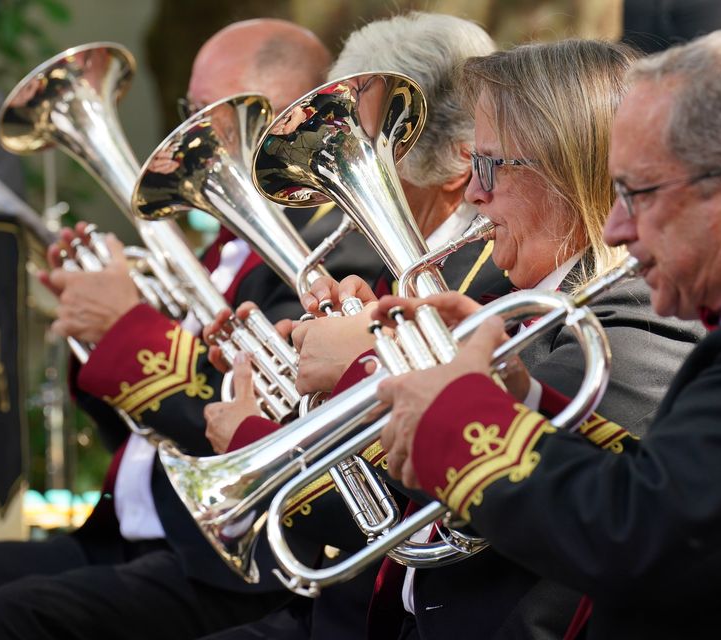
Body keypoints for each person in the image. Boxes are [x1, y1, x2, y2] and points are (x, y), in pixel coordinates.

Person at [374, 26, 721, 638]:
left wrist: (459, 418)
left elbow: (642, 540)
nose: (618, 228)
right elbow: (682, 491)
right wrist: (524, 398)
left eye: (635, 194)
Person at [0, 18, 360, 640]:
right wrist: (99, 335)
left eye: (209, 112)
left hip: (228, 564)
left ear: (282, 115)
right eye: (188, 109)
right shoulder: (214, 253)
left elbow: (253, 417)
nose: (185, 137)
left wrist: (128, 327)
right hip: (136, 534)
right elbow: (139, 430)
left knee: (13, 617)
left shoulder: (325, 255)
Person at [195, 13, 513, 640]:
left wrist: (354, 371)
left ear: (455, 161)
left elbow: (422, 511)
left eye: (351, 152)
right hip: (348, 601)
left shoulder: (492, 284)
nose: (329, 183)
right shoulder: (407, 267)